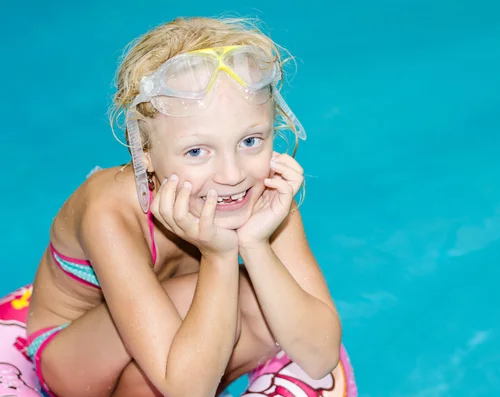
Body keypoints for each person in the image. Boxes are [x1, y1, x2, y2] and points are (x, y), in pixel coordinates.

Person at [25, 15, 354, 397]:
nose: (231, 175)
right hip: (74, 355)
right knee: (219, 302)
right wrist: (217, 256)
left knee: (261, 306)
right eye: (197, 151)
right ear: (144, 152)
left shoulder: (265, 193)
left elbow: (319, 356)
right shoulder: (109, 209)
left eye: (250, 141)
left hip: (173, 353)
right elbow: (184, 388)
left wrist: (255, 243)